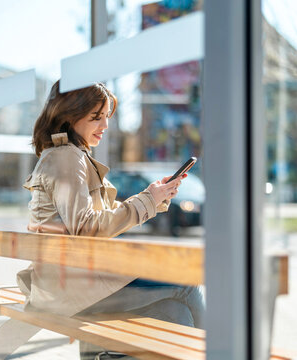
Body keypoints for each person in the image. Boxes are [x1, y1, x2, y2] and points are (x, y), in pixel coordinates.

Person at [17, 80, 205, 359]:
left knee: (172, 313)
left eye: (107, 116)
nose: (104, 125)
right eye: (96, 117)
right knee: (186, 283)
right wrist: (148, 200)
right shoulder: (67, 157)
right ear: (69, 114)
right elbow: (87, 227)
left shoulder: (65, 155)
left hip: (67, 283)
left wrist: (154, 196)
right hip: (70, 287)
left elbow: (96, 215)